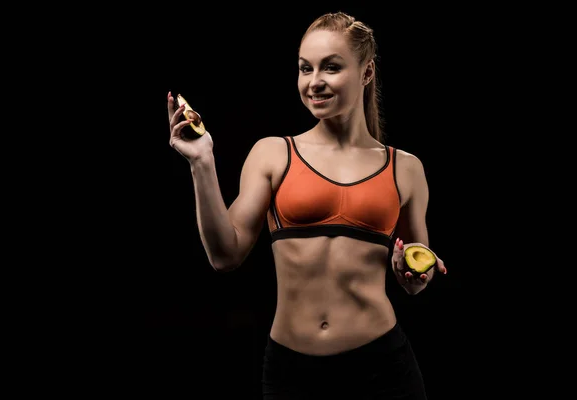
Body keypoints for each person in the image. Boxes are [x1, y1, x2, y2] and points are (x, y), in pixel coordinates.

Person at [167, 11, 447, 400]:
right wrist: (202, 161)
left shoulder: (406, 168)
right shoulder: (273, 153)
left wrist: (413, 274)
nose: (314, 82)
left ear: (366, 73)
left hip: (383, 368)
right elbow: (224, 255)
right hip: (292, 372)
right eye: (305, 68)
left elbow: (419, 266)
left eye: (331, 68)